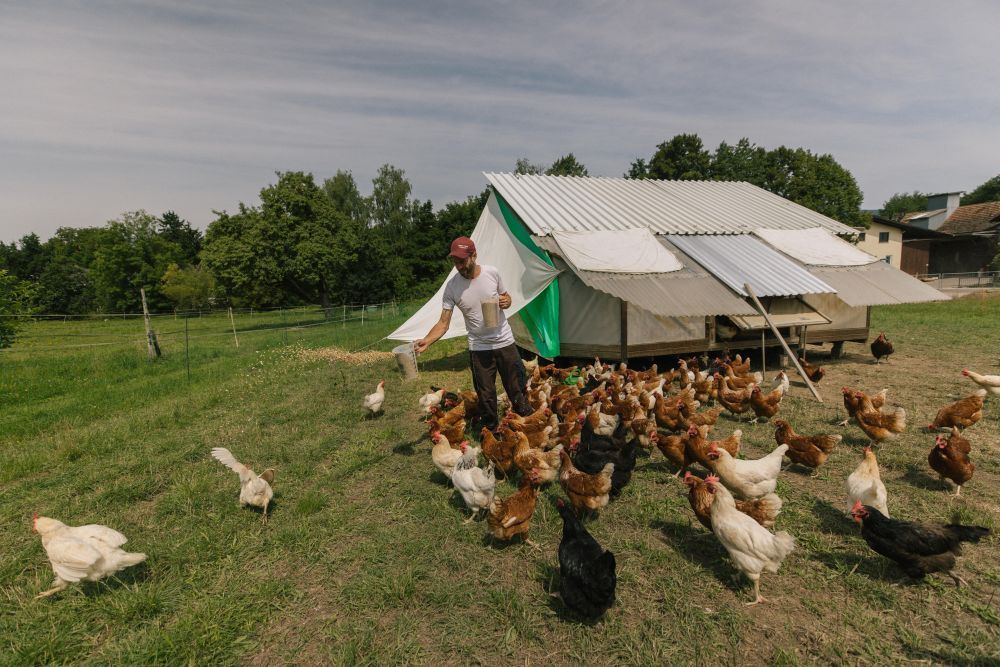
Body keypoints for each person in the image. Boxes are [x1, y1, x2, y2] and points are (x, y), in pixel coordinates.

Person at [414, 236, 532, 432]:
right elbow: (443, 323)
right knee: (485, 394)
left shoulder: (492, 273)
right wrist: (427, 340)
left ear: (474, 255)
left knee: (516, 387)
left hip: (504, 341)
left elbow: (507, 297)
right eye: (455, 261)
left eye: (462, 260)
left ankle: (527, 423)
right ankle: (492, 431)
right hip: (479, 347)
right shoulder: (452, 287)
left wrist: (507, 301)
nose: (459, 266)